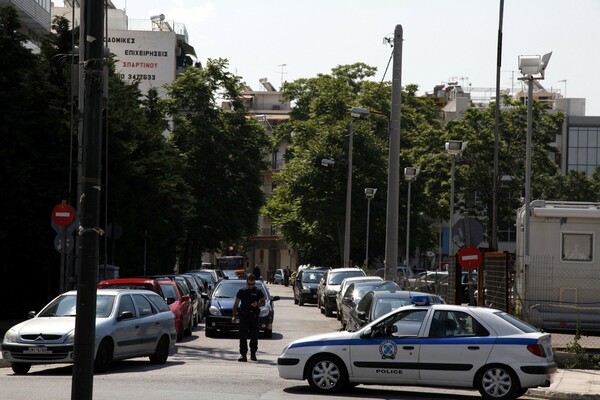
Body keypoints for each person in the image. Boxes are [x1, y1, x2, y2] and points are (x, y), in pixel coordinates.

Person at [232, 274, 265, 362]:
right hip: (244, 316)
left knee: (254, 336)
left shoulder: (258, 291)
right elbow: (235, 304)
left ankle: (253, 354)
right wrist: (234, 316)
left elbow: (263, 302)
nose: (251, 286)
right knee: (242, 336)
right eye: (249, 284)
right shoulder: (241, 291)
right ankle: (243, 355)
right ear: (247, 282)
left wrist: (257, 304)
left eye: (253, 284)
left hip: (254, 317)